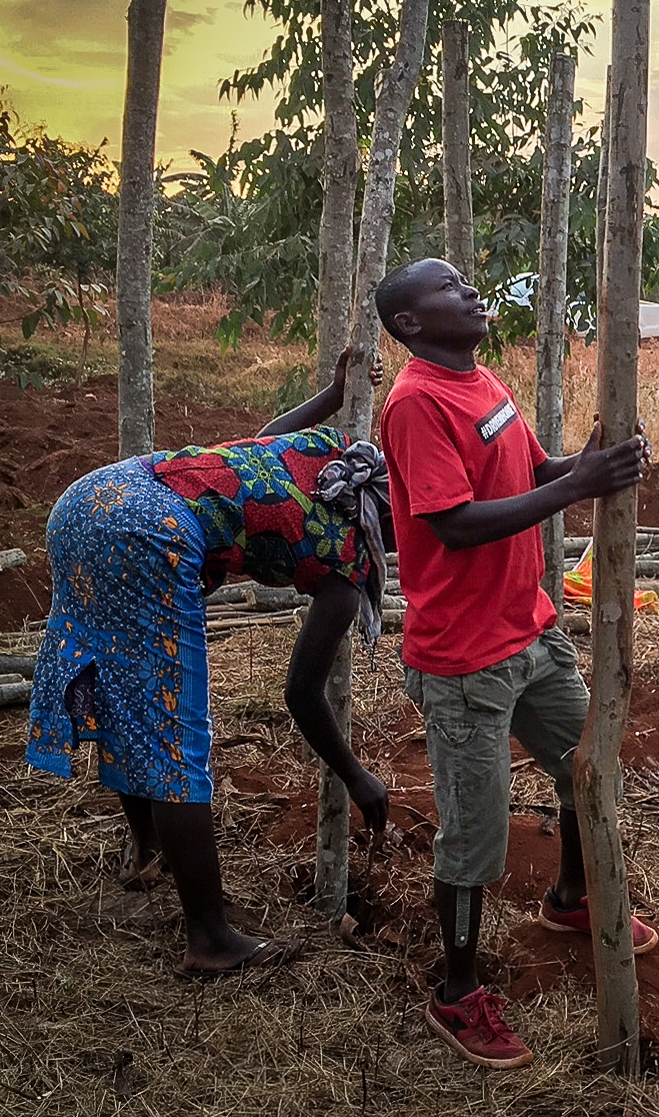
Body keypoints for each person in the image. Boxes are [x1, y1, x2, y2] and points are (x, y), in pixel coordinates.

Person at [26, 349, 392, 977]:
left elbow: (259, 442)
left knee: (123, 692)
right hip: (147, 528)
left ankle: (146, 850)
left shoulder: (335, 455)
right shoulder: (348, 563)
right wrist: (357, 775)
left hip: (91, 497)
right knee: (174, 731)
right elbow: (302, 693)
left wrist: (331, 396)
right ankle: (211, 938)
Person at [374, 257, 653, 1071]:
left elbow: (533, 472)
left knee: (586, 770)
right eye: (445, 287)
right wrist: (578, 488)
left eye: (464, 280)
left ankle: (569, 898)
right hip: (465, 660)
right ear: (412, 324)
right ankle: (457, 990)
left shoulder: (483, 379)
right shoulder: (416, 403)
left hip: (530, 633)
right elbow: (455, 523)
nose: (468, 290)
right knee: (476, 838)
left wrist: (590, 465)